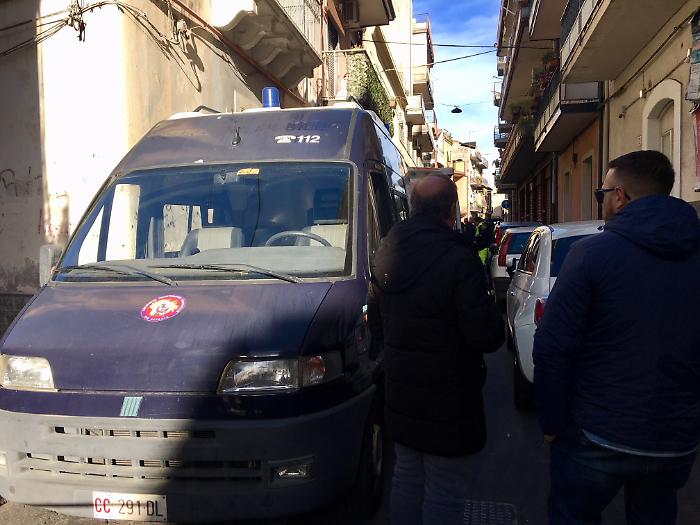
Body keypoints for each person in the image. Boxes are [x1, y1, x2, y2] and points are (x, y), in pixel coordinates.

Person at [533, 150, 700, 525]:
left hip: (599, 431)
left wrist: (552, 423)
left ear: (620, 196)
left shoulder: (591, 254)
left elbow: (553, 346)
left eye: (601, 193)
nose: (602, 200)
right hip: (674, 439)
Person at [368, 175, 504, 525]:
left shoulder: (385, 252)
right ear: (451, 211)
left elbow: (376, 325)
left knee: (406, 476)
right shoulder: (459, 257)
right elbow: (486, 336)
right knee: (444, 486)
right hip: (449, 396)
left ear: (413, 208)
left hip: (401, 391)